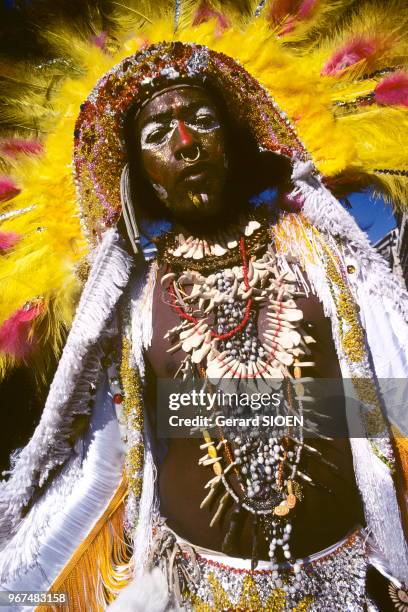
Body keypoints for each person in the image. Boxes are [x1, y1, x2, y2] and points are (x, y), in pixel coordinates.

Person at [0, 4, 407, 611]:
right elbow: (108, 465)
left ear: (235, 137)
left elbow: (392, 389)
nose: (185, 142)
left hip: (348, 590)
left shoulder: (318, 252)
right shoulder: (133, 298)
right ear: (137, 173)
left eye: (201, 119)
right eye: (158, 134)